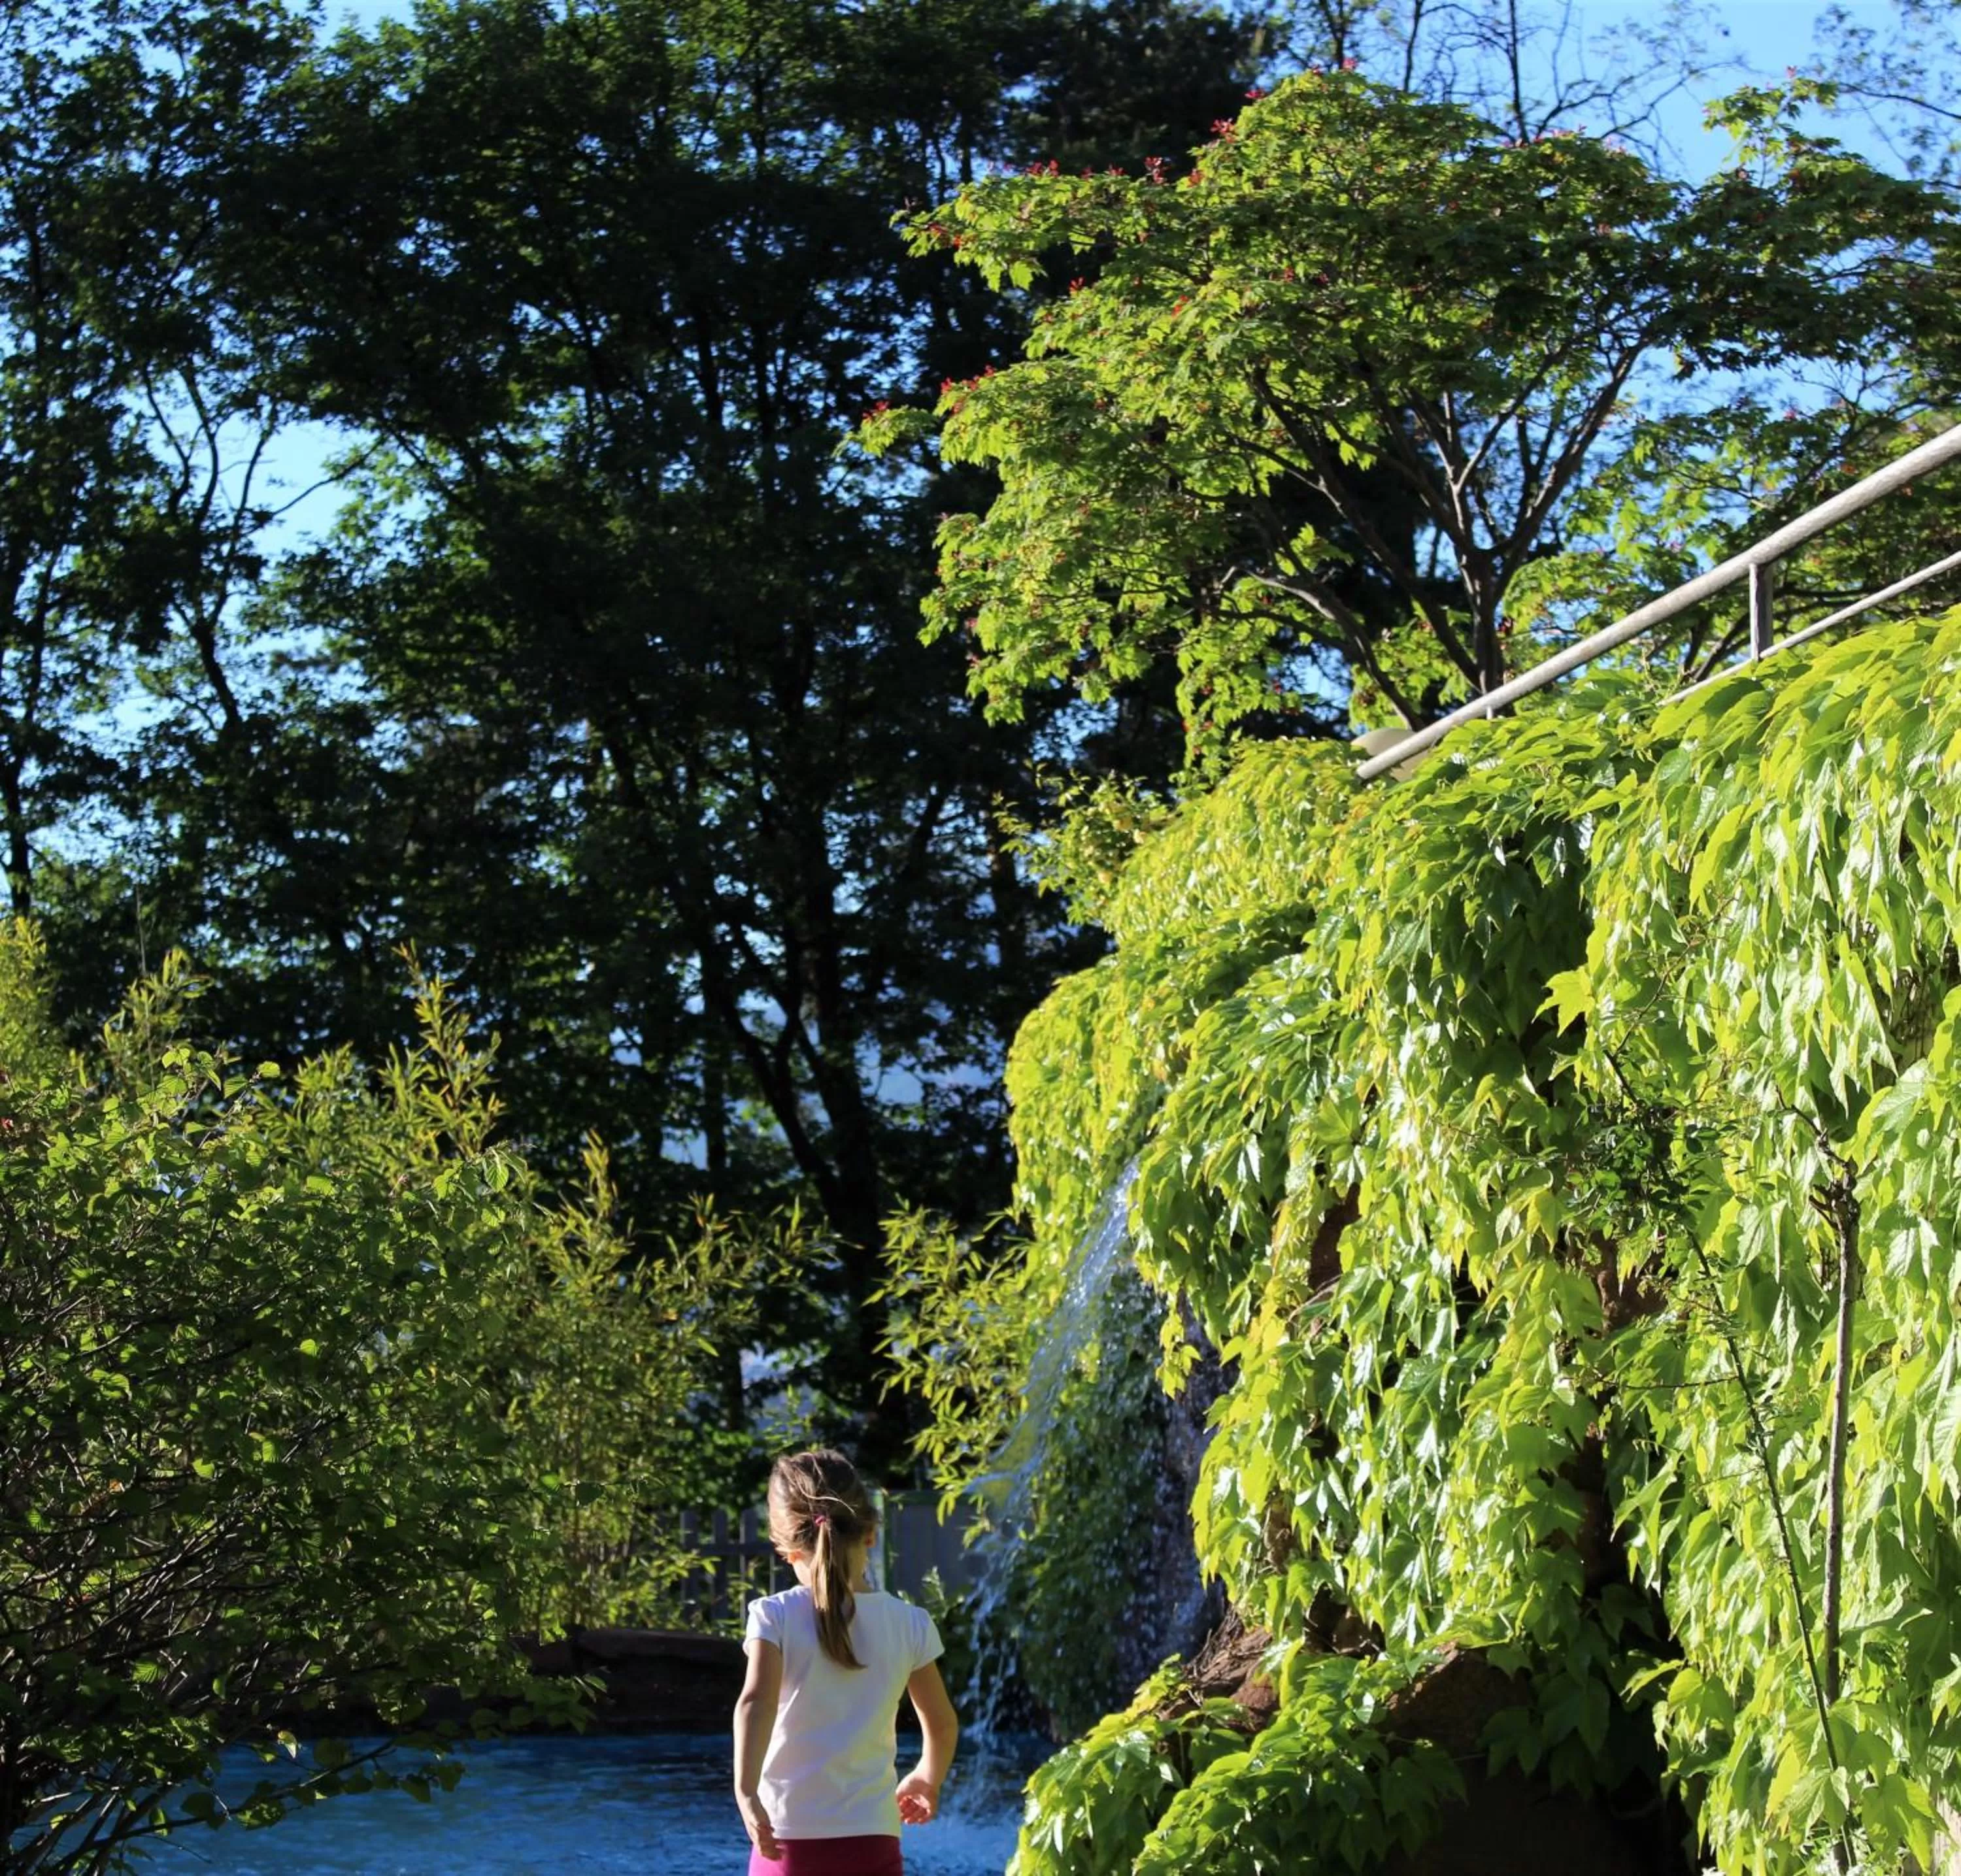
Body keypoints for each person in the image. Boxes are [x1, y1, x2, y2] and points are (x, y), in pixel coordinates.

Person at [733, 1449, 959, 1876]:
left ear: (785, 1548)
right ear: (870, 1534)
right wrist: (928, 1777)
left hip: (787, 1838)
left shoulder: (774, 1616)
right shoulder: (911, 1624)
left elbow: (755, 1704)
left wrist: (746, 1792)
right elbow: (942, 1722)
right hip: (872, 1837)